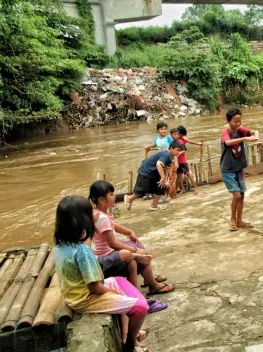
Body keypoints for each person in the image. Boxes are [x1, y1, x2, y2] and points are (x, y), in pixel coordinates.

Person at [54, 195, 148, 352]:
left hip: (74, 295)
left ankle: (126, 335)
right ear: (83, 221)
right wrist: (114, 293)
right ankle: (131, 345)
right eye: (90, 213)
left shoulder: (60, 245)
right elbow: (95, 288)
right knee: (141, 307)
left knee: (119, 281)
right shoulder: (82, 250)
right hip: (86, 299)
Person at [90, 180, 174, 298]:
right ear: (101, 200)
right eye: (111, 195)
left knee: (136, 245)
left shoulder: (99, 212)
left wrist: (129, 232)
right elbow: (113, 244)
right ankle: (152, 284)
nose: (114, 197)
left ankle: (148, 278)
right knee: (139, 253)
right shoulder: (102, 218)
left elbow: (113, 225)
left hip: (106, 252)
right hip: (106, 256)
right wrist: (134, 251)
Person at [220, 108, 260, 232]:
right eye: (234, 122)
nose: (237, 124)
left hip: (238, 167)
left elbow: (254, 131)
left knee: (241, 195)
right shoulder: (225, 132)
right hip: (228, 169)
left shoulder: (240, 129)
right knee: (236, 195)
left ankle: (239, 220)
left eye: (239, 122)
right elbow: (227, 142)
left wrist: (255, 136)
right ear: (228, 121)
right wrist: (244, 139)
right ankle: (232, 218)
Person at [125, 142, 182, 211]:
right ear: (171, 148)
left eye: (179, 150)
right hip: (146, 171)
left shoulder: (172, 157)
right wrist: (163, 177)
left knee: (161, 186)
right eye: (177, 150)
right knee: (142, 190)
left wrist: (165, 179)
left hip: (155, 172)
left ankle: (154, 205)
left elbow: (167, 168)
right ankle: (129, 198)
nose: (178, 152)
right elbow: (159, 164)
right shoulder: (166, 154)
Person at [176, 126, 201, 195]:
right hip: (177, 161)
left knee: (187, 173)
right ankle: (182, 189)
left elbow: (189, 141)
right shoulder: (175, 140)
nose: (178, 135)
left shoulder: (182, 140)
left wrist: (197, 143)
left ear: (181, 134)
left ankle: (195, 187)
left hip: (183, 160)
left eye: (178, 134)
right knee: (179, 175)